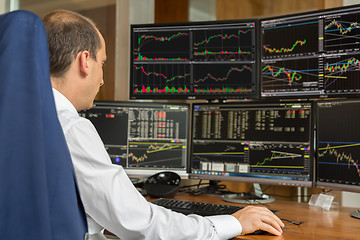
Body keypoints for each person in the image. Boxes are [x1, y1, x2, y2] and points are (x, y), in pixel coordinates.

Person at [43, 9, 284, 240]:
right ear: (85, 61)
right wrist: (234, 222)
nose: (102, 79)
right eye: (102, 63)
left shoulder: (28, 122)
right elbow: (142, 226)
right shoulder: (70, 128)